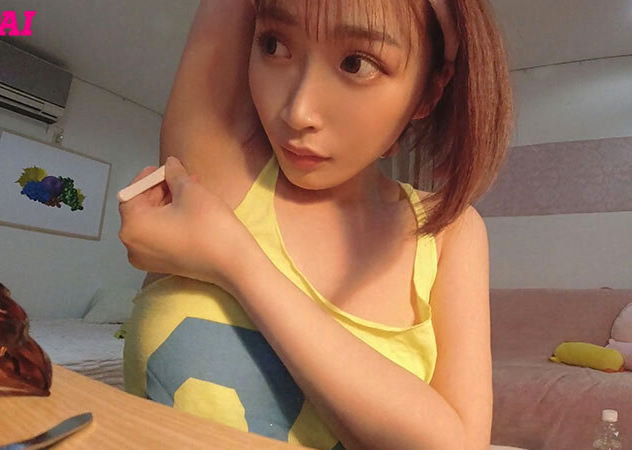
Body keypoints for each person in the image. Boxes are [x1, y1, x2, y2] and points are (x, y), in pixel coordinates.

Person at [119, 0, 513, 448]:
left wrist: (234, 261)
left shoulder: (448, 234)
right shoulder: (221, 173)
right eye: (274, 45)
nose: (297, 111)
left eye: (356, 64)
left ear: (428, 91)